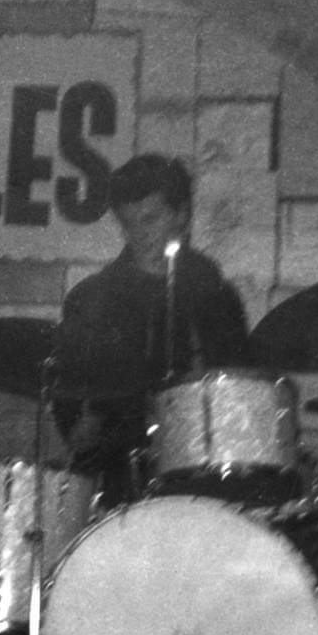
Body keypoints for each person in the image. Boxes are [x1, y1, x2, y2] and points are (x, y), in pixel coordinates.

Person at [52, 153, 252, 506]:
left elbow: (240, 394)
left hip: (206, 477)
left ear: (182, 215)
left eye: (150, 219)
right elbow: (67, 399)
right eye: (129, 224)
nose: (140, 235)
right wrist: (79, 427)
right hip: (120, 482)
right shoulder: (92, 300)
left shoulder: (216, 295)